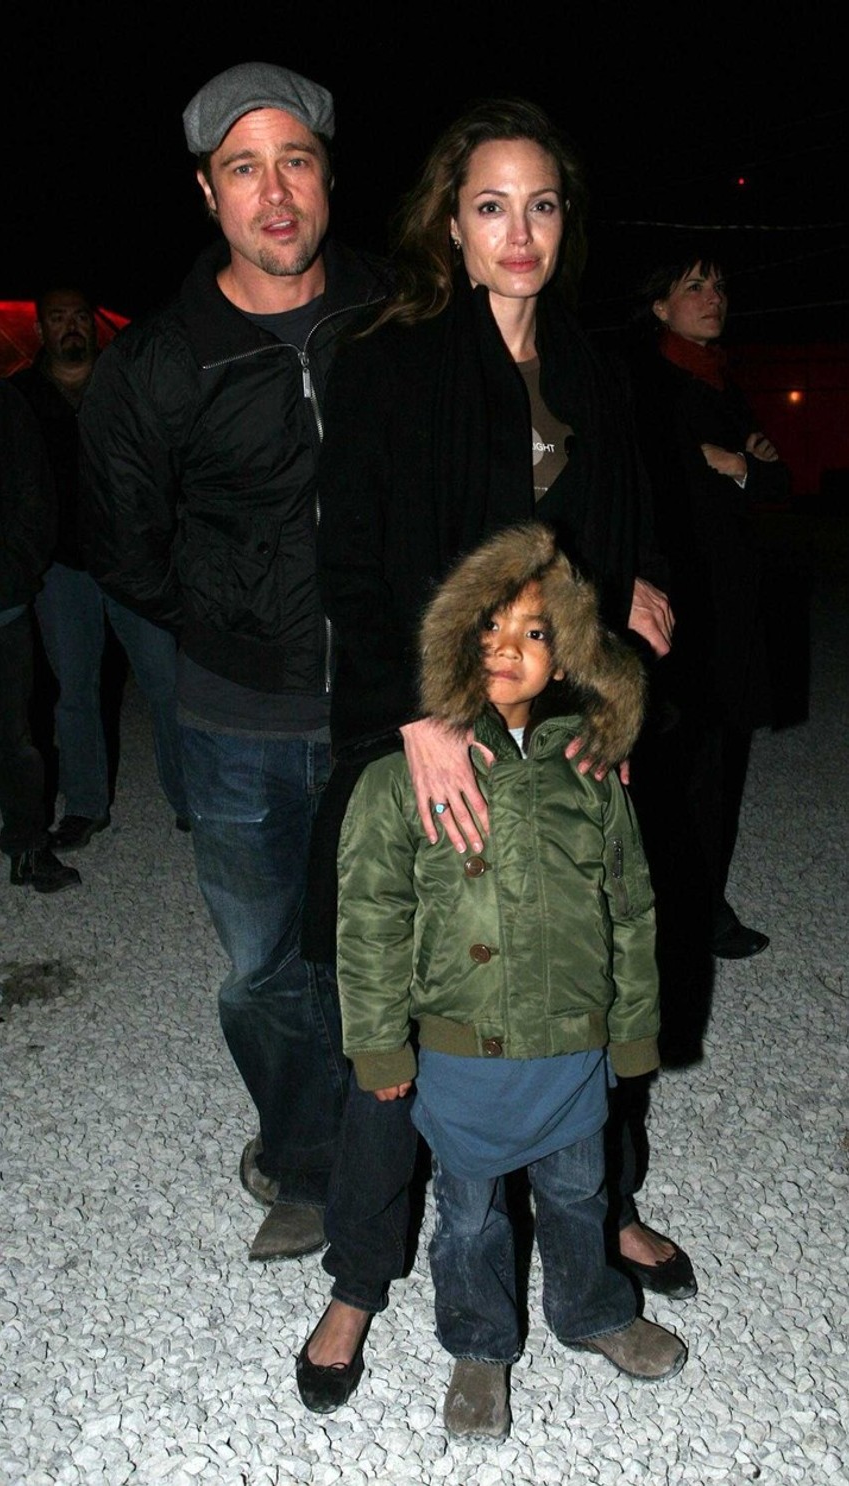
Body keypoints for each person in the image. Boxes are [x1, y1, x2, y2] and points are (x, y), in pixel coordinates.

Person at [296, 96, 693, 1413]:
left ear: (562, 222)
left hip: (558, 717)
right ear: (450, 227)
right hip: (426, 723)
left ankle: (597, 1218)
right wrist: (416, 713)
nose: (518, 231)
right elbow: (353, 559)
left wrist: (632, 589)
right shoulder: (390, 358)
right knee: (409, 1000)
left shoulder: (588, 361)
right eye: (490, 206)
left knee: (580, 957)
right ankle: (360, 1273)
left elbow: (613, 515)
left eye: (540, 204)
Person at [78, 62, 392, 1261]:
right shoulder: (157, 363)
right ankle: (304, 1163)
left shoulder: (399, 316)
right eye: (244, 168)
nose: (276, 192)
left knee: (388, 953)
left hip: (388, 710)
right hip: (235, 721)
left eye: (295, 160)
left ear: (327, 177)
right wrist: (235, 626)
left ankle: (396, 1155)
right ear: (209, 192)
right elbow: (125, 546)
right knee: (265, 968)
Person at [313, 521, 688, 1438]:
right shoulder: (401, 777)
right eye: (488, 628)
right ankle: (479, 1344)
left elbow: (631, 905)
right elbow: (368, 921)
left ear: (568, 651)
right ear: (452, 639)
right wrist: (378, 1047)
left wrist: (633, 1028)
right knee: (470, 1215)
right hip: (461, 1049)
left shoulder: (590, 769)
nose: (509, 649)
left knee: (579, 1192)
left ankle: (592, 1309)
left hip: (571, 1042)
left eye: (534, 630)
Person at [625, 249, 789, 974]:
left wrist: (740, 464)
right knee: (671, 764)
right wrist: (722, 465)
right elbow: (656, 485)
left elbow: (776, 479)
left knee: (719, 762)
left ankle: (702, 906)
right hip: (675, 597)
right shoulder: (644, 384)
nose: (712, 296)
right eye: (694, 285)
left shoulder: (723, 381)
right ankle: (666, 913)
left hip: (732, 600)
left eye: (719, 284)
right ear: (660, 305)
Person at [12, 286, 189, 848]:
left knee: (166, 682)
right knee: (74, 689)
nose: (71, 327)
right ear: (41, 329)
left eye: (79, 317)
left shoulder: (126, 382)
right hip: (61, 568)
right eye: (58, 318)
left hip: (132, 561)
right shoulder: (20, 397)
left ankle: (191, 800)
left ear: (94, 325)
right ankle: (86, 806)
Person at [0, 379, 79, 892]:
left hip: (0, 605)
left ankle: (27, 846)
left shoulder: (6, 405)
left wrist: (12, 573)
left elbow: (36, 497)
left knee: (13, 739)